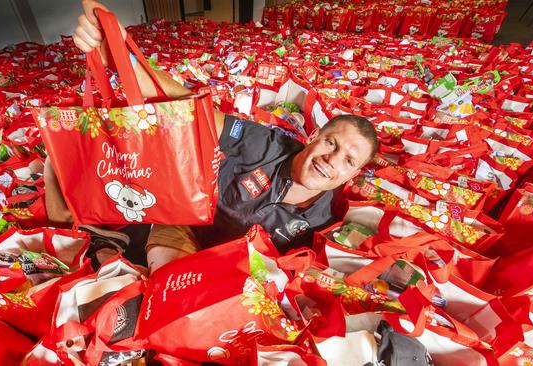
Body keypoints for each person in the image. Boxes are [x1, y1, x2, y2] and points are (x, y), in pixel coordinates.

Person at [44, 0, 379, 272]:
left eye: (348, 160)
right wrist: (119, 57)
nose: (331, 161)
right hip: (188, 224)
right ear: (315, 135)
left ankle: (107, 249)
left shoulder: (326, 218)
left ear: (353, 173)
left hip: (236, 263)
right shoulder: (265, 144)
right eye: (331, 143)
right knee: (173, 283)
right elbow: (189, 108)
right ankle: (112, 248)